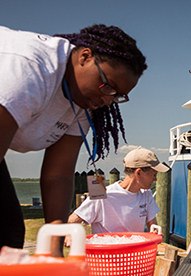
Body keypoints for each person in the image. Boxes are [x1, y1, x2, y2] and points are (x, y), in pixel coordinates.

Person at [0, 24, 147, 254]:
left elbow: (57, 174)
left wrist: (55, 244)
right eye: (108, 87)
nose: (108, 101)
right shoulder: (29, 70)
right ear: (85, 57)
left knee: (9, 234)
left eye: (118, 96)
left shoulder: (84, 103)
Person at [68, 147, 168, 234]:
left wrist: (156, 233)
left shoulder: (147, 194)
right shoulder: (101, 193)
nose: (156, 180)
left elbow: (153, 226)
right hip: (107, 255)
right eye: (153, 175)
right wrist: (69, 235)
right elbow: (70, 222)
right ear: (138, 173)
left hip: (134, 254)